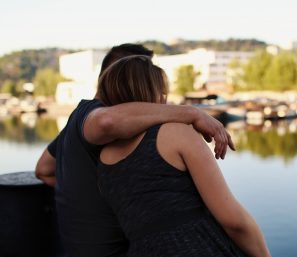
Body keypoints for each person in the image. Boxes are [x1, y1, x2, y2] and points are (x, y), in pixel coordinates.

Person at [35, 43, 235, 257]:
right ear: (124, 75)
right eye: (145, 72)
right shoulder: (94, 112)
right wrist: (192, 114)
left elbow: (44, 169)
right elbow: (107, 121)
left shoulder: (77, 121)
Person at [96, 55, 271, 256]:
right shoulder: (176, 134)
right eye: (162, 92)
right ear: (156, 94)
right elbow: (234, 221)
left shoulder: (103, 159)